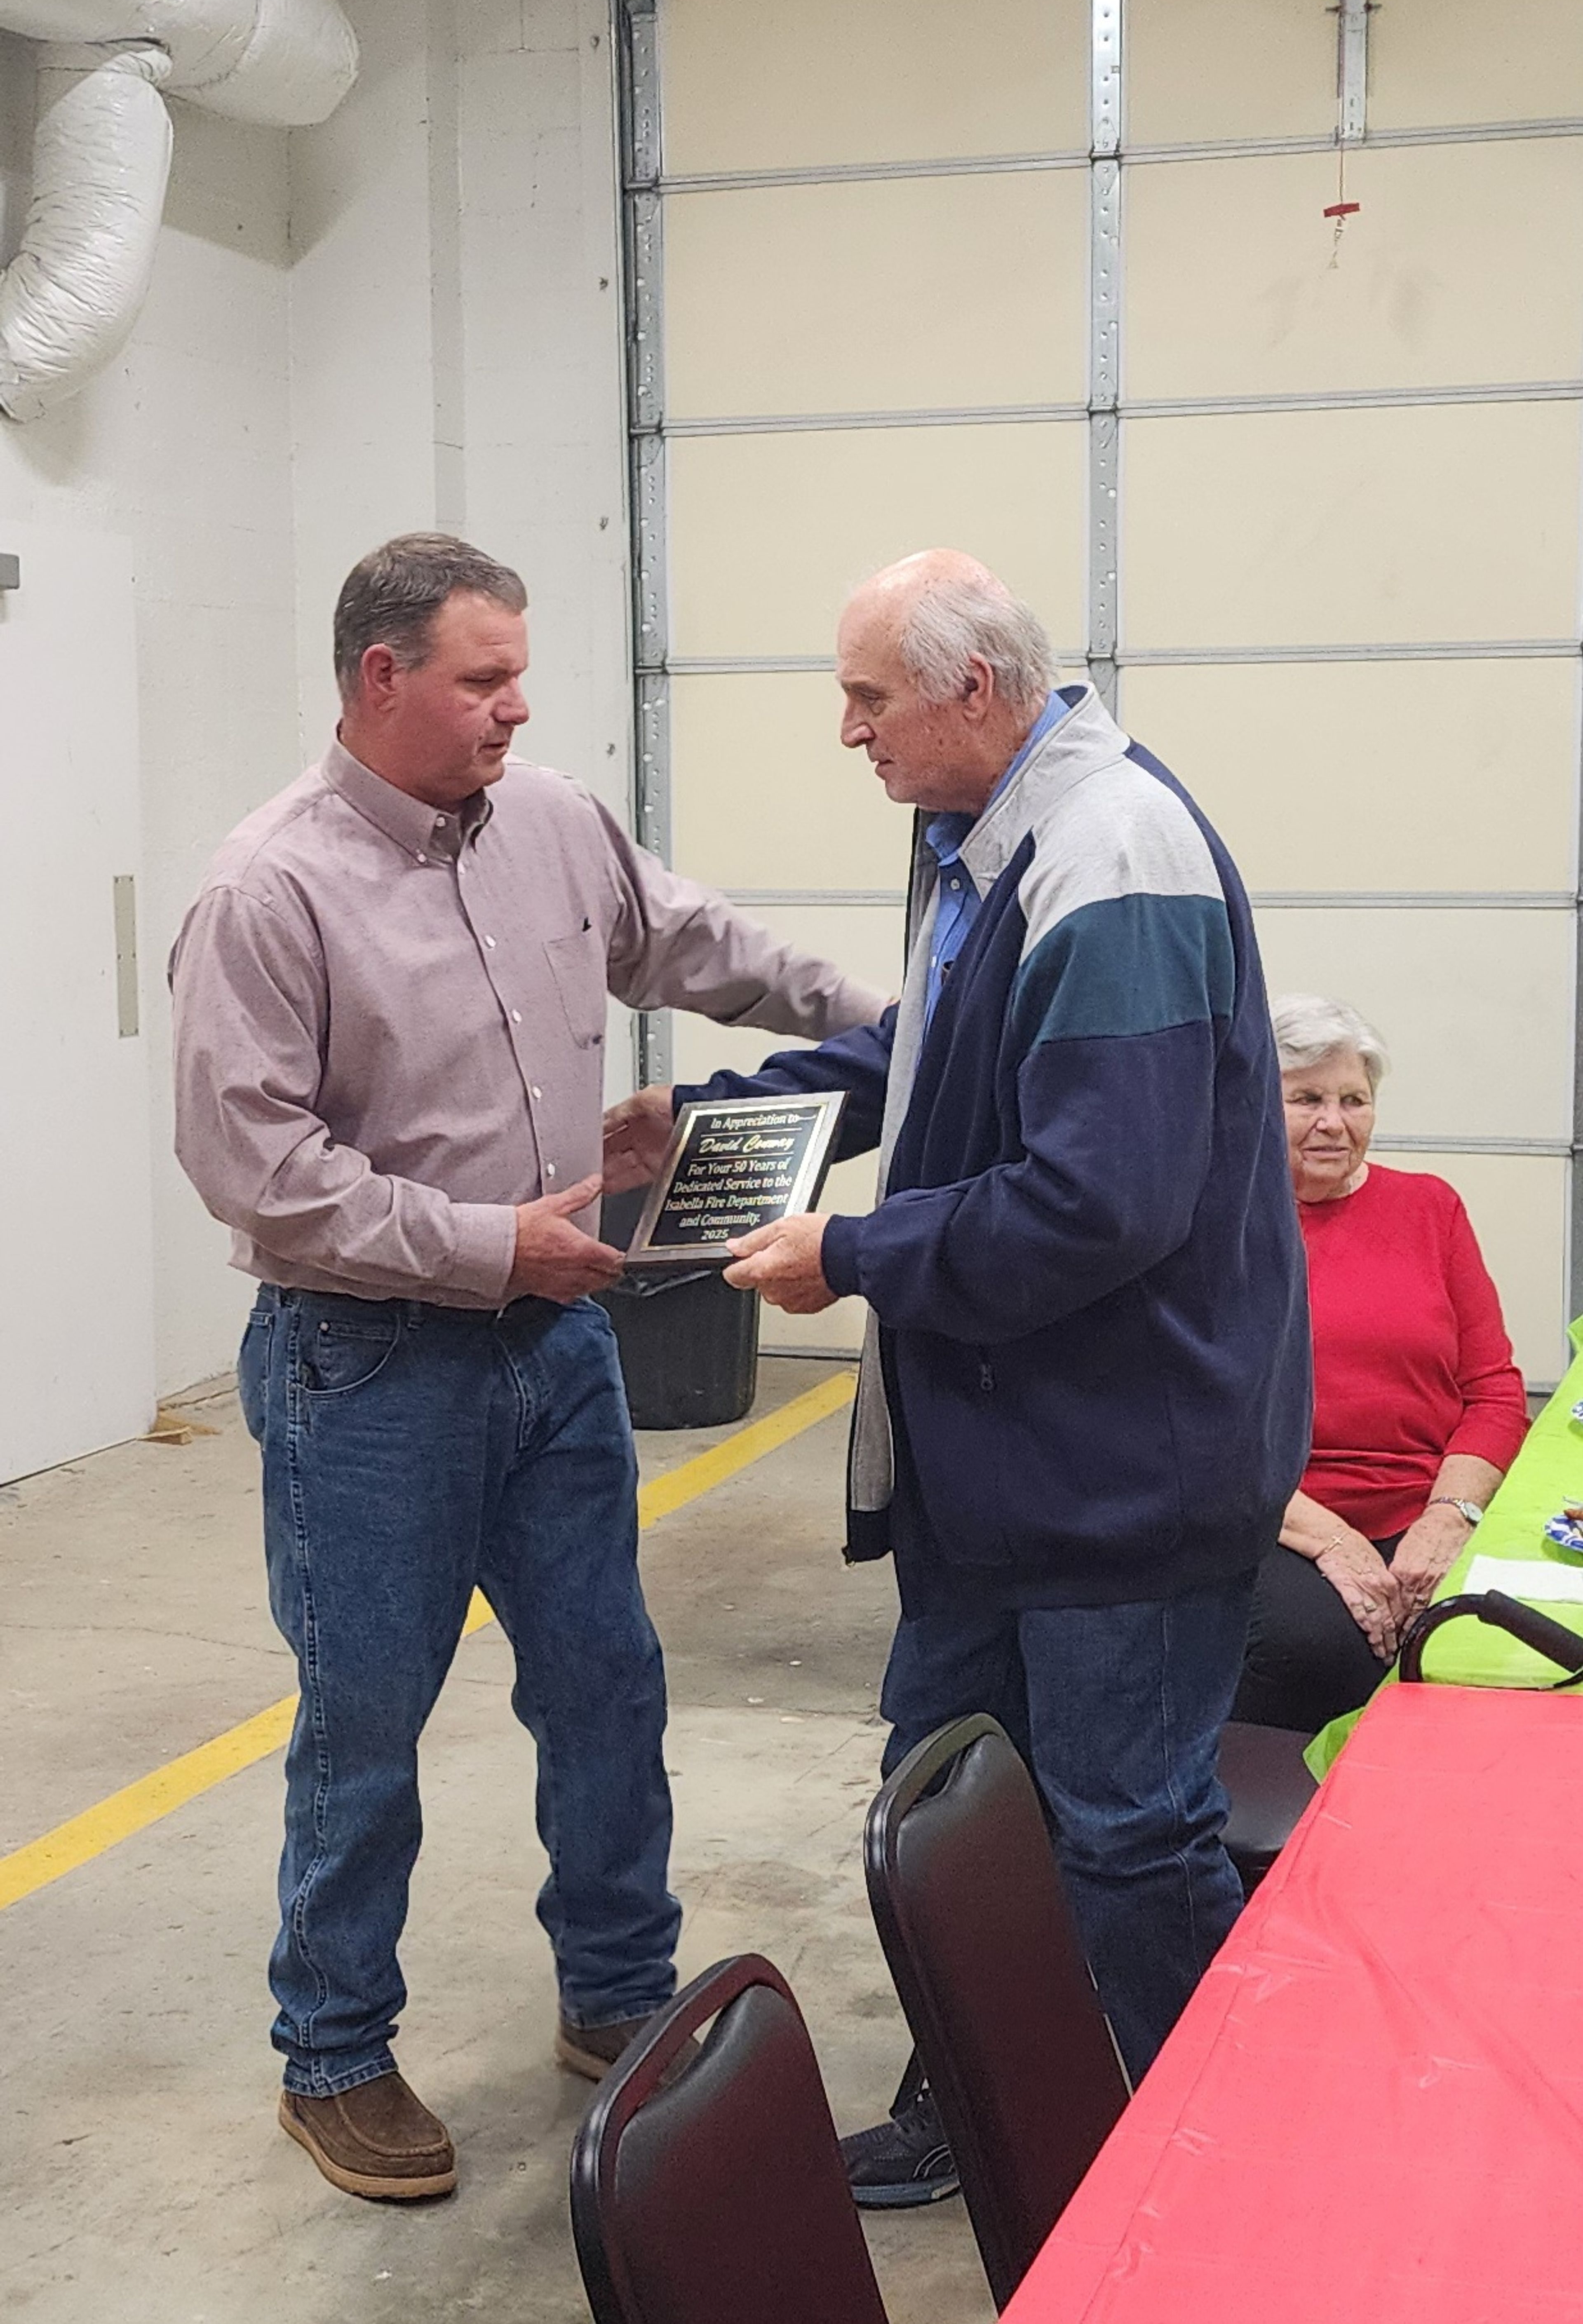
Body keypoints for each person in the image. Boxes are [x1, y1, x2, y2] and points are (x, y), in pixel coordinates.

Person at [169, 533, 887, 2204]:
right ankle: (332, 2051)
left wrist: (912, 1020)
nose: (517, 705)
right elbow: (256, 1167)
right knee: (366, 1719)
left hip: (557, 1345)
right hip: (370, 1362)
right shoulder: (269, 890)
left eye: (519, 674)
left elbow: (698, 942)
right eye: (484, 678)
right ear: (382, 677)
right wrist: (490, 1242)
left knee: (605, 1678)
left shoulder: (553, 822)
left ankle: (619, 1987)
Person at [604, 549, 1311, 2200]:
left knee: (1127, 1833)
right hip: (996, 1458)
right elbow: (919, 1055)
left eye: (869, 698)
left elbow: (1104, 1200)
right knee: (955, 1811)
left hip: (1124, 1470)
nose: (847, 730)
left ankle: (1240, 2166)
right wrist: (712, 1120)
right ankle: (984, 2104)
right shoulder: (983, 835)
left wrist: (851, 1256)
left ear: (971, 691)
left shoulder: (1113, 856)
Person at [1232, 993, 1527, 1735]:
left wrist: (1449, 1517)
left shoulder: (1432, 1209)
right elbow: (1198, 1426)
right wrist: (1333, 1541)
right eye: (1307, 1100)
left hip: (1427, 1505)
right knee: (1321, 1648)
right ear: (1256, 1102)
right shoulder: (1221, 1224)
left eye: (1353, 1099)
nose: (1334, 1122)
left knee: (1510, 1641)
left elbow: (1493, 1392)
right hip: (1279, 1516)